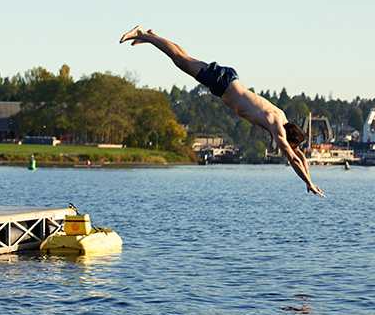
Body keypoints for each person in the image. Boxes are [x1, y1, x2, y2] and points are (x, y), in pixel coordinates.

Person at [119, 26, 324, 196]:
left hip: (227, 81)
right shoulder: (276, 125)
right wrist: (308, 182)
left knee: (184, 59)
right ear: (288, 136)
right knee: (180, 60)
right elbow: (293, 159)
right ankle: (143, 34)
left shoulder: (282, 119)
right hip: (223, 82)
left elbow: (299, 156)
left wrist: (309, 179)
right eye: (291, 144)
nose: (289, 148)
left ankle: (151, 36)